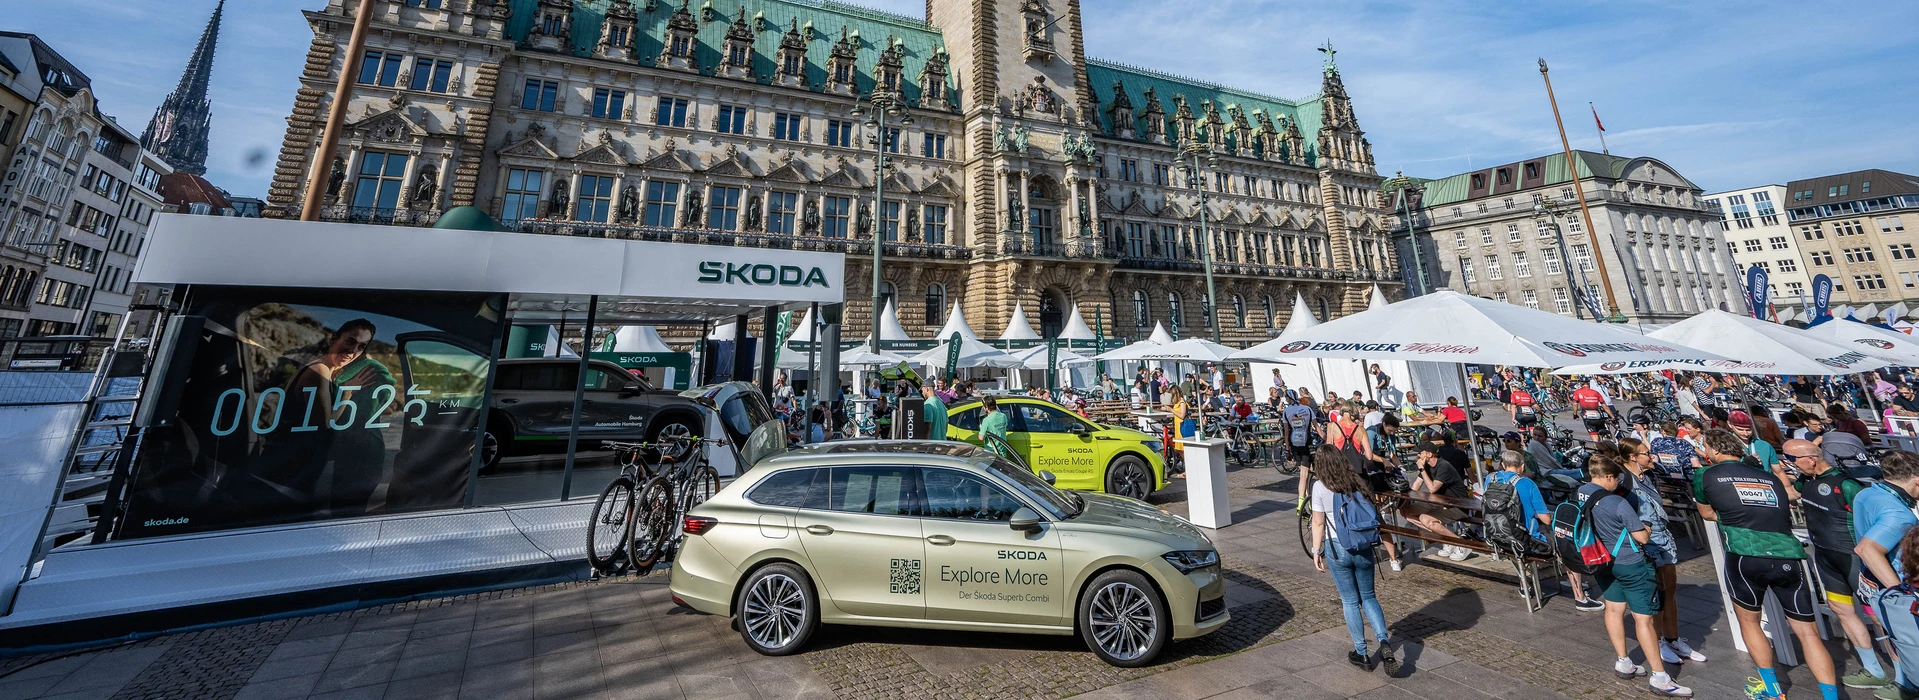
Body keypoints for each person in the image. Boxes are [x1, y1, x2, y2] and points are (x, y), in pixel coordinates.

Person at [1694, 428, 1840, 700]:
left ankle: (1772, 690)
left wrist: (1732, 517)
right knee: (1808, 633)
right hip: (1788, 555)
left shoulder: (1705, 474)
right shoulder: (1769, 478)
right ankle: (1831, 696)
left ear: (1713, 451)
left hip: (1745, 554)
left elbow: (1707, 513)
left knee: (1749, 622)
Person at [1785, 439, 1894, 691]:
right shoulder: (1807, 481)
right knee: (1842, 610)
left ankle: (1905, 675)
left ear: (1812, 459)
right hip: (1826, 558)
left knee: (1878, 616)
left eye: (1793, 460)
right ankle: (1873, 670)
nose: (1791, 465)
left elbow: (1874, 517)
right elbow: (1792, 493)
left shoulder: (1846, 484)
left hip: (1854, 558)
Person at [1581, 454, 1693, 697]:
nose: (1619, 484)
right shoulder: (1617, 503)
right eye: (1616, 479)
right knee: (1643, 618)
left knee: (1613, 609)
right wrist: (1647, 528)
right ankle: (1660, 677)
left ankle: (1623, 660)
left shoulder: (1579, 494)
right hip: (1629, 562)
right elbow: (1642, 537)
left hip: (1601, 560)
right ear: (1608, 477)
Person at [1307, 444, 1401, 675]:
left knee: (1350, 601)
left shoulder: (1319, 486)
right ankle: (1384, 642)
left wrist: (1316, 551)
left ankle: (1362, 653)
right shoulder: (1356, 481)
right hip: (1362, 545)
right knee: (1369, 596)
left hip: (1337, 548)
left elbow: (1318, 523)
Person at [1619, 438, 1709, 667]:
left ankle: (1673, 638)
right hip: (1646, 542)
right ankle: (1658, 641)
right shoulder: (1624, 481)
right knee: (1656, 594)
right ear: (1632, 457)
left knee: (1670, 590)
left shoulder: (1649, 476)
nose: (1651, 456)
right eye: (1646, 453)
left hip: (1664, 538)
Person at [1856, 451, 1919, 700]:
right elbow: (1866, 548)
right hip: (1897, 586)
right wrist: (1901, 594)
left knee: (1895, 639)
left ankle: (1904, 682)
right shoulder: (1899, 515)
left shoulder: (1866, 493)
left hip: (1872, 583)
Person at [1402, 442, 1472, 561]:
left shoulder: (1443, 466)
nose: (1418, 455)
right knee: (1406, 512)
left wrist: (1422, 469)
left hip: (1458, 506)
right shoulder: (1427, 467)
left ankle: (1460, 543)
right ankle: (1448, 540)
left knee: (1425, 518)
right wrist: (1404, 500)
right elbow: (1416, 484)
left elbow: (1433, 488)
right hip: (1440, 504)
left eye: (1420, 453)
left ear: (1429, 454)